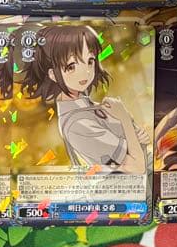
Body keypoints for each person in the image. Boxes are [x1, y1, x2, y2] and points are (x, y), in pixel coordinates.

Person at [25, 25, 148, 174]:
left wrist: (133, 134)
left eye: (90, 61)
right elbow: (137, 168)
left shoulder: (86, 107)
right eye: (71, 66)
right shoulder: (78, 125)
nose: (85, 72)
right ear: (52, 74)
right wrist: (124, 119)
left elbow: (135, 140)